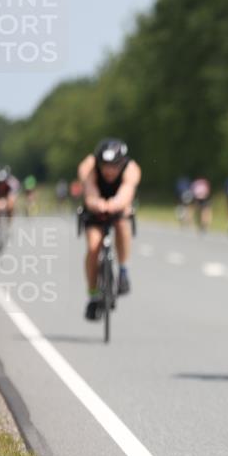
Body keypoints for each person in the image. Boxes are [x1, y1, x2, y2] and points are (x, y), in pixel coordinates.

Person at [78, 138, 141, 321]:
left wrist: (115, 204)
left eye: (114, 166)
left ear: (122, 163)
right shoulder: (88, 166)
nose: (109, 171)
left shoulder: (132, 168)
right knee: (93, 247)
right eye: (104, 166)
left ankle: (123, 270)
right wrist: (97, 204)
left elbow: (126, 192)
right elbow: (90, 192)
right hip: (95, 208)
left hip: (118, 205)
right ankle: (93, 294)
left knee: (122, 224)